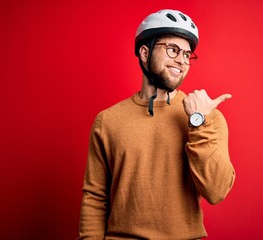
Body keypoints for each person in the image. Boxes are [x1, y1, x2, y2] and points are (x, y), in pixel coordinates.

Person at [78, 9, 235, 240]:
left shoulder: (206, 117)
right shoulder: (108, 121)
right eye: (173, 50)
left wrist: (198, 123)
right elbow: (95, 197)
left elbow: (216, 191)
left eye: (187, 54)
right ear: (145, 52)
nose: (182, 60)